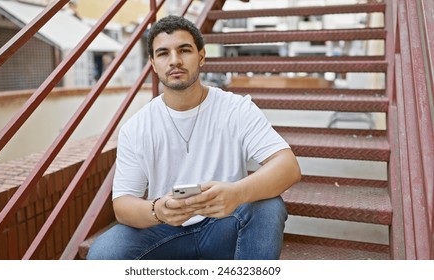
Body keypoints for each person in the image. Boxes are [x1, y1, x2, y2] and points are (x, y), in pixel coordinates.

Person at [87, 15, 301, 260]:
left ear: (201, 56)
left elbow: (288, 166)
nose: (175, 61)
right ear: (153, 63)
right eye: (163, 53)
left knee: (268, 206)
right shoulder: (137, 127)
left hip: (226, 223)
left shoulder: (236, 108)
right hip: (165, 231)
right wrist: (158, 210)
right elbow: (123, 204)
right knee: (104, 252)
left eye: (184, 50)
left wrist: (237, 193)